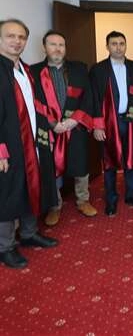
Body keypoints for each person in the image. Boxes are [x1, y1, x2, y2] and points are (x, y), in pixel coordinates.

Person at [0, 19, 58, 269]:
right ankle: (5, 247)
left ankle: (29, 233)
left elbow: (36, 107)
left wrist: (46, 134)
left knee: (30, 186)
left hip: (32, 141)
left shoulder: (25, 70)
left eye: (21, 37)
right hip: (9, 146)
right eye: (10, 36)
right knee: (7, 194)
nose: (17, 41)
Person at [31, 30, 97, 226]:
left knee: (80, 164)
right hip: (48, 129)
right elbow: (32, 102)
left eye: (61, 45)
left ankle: (83, 200)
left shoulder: (79, 68)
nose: (58, 48)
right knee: (49, 166)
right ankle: (54, 205)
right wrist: (53, 124)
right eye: (53, 44)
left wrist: (74, 120)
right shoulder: (33, 72)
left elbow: (88, 97)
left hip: (75, 126)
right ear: (44, 47)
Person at [90, 31, 133, 216]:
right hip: (108, 124)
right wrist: (97, 125)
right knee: (110, 163)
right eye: (114, 44)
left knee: (131, 161)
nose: (118, 47)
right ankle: (111, 199)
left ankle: (131, 195)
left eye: (122, 43)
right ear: (107, 46)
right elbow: (93, 99)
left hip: (132, 122)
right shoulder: (98, 70)